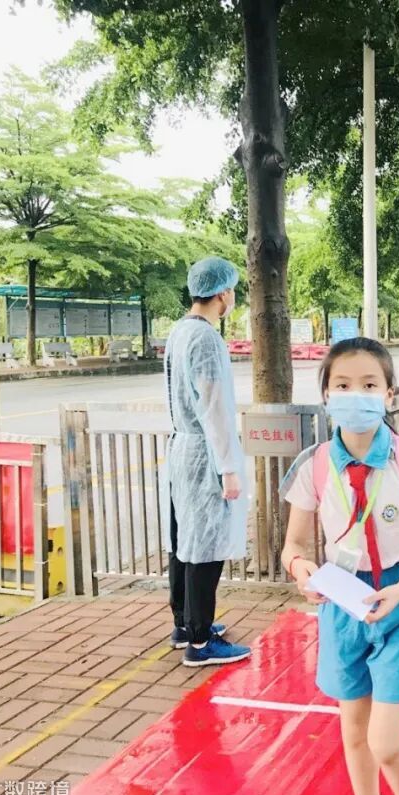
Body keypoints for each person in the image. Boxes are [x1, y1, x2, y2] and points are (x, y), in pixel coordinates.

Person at [280, 337, 399, 795]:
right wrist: (301, 569)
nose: (354, 394)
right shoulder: (313, 465)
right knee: (354, 732)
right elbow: (293, 545)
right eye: (342, 385)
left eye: (369, 384)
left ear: (389, 394)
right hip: (343, 601)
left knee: (384, 741)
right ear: (326, 395)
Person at [164, 256, 252, 667]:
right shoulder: (206, 339)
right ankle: (200, 642)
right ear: (224, 293)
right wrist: (228, 468)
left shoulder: (180, 331)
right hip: (204, 452)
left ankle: (184, 624)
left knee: (183, 538)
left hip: (183, 448)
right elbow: (214, 408)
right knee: (204, 545)